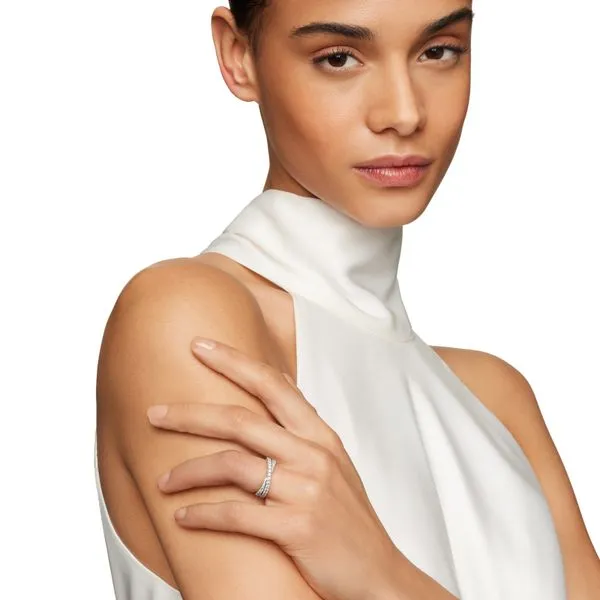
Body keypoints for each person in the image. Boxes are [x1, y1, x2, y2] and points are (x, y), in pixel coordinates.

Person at [94, 1, 600, 599]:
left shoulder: (499, 401)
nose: (404, 113)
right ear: (238, 56)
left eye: (438, 51)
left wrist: (380, 574)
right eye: (338, 58)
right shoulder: (187, 319)